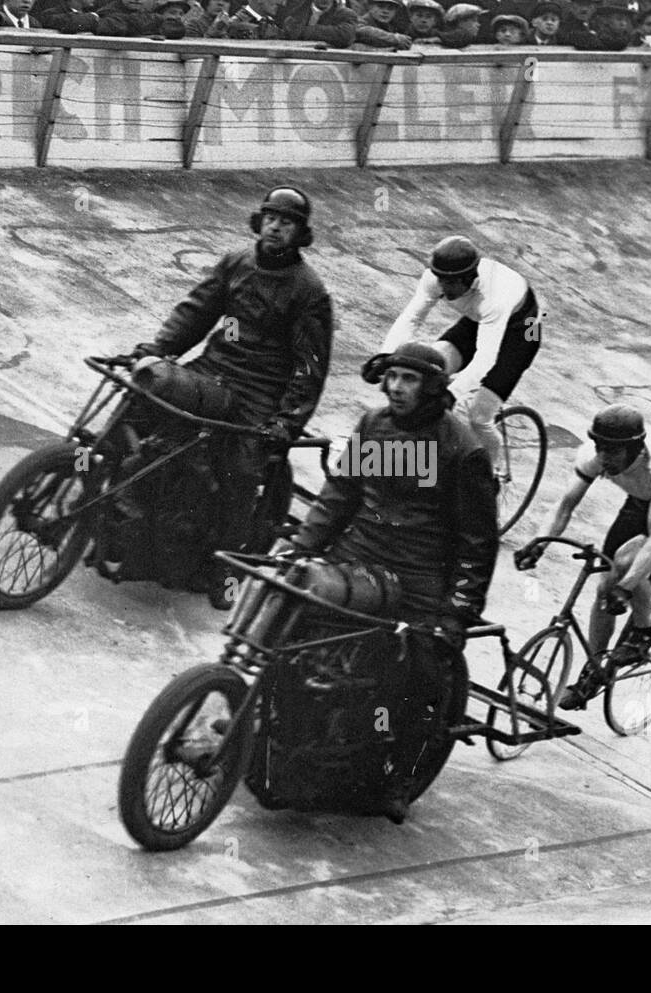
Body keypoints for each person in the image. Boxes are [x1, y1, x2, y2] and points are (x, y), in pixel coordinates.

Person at [279, 343, 498, 821]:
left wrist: (456, 613)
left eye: (410, 379)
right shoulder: (374, 425)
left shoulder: (462, 449)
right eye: (393, 376)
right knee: (289, 613)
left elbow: (478, 543)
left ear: (433, 388)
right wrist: (303, 544)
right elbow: (341, 494)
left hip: (418, 573)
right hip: (358, 551)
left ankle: (399, 774)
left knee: (416, 675)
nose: (397, 387)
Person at [130, 187, 334, 604]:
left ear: (300, 233)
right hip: (213, 369)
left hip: (260, 391)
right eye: (272, 218)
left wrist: (286, 421)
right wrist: (158, 351)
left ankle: (227, 567)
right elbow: (196, 311)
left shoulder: (309, 291)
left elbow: (310, 366)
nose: (277, 227)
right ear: (260, 222)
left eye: (288, 222)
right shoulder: (236, 262)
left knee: (240, 470)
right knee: (147, 399)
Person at [515, 404, 651, 711]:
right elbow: (565, 505)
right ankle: (593, 672)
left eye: (614, 451)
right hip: (642, 499)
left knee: (625, 564)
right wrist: (538, 543)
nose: (605, 458)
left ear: (635, 448)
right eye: (600, 448)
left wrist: (628, 586)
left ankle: (643, 634)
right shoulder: (595, 458)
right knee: (605, 583)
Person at [370, 236, 541, 476]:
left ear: (468, 279)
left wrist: (452, 393)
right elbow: (412, 318)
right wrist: (385, 357)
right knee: (425, 368)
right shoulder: (437, 278)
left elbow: (485, 359)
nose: (441, 287)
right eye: (439, 279)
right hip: (476, 322)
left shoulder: (494, 298)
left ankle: (491, 476)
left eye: (448, 283)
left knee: (479, 415)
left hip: (523, 332)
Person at [281, 0, 360, 45]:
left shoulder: (346, 14)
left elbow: (346, 36)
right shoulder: (296, 11)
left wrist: (307, 31)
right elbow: (290, 31)